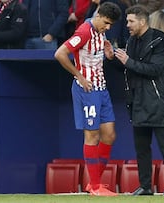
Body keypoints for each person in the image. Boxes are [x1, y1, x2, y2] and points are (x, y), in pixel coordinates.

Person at [54, 2, 121, 196]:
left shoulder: (101, 31)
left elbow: (95, 55)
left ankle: (94, 183)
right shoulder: (84, 31)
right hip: (87, 90)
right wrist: (79, 76)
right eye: (107, 23)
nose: (108, 27)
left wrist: (108, 53)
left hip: (101, 88)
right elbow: (60, 53)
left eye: (111, 25)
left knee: (109, 135)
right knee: (92, 136)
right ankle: (95, 186)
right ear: (98, 15)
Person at [114, 5, 164, 196]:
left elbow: (154, 70)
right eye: (127, 21)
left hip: (157, 98)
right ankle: (145, 186)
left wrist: (128, 61)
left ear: (142, 21)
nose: (127, 25)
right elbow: (129, 68)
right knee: (141, 147)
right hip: (137, 100)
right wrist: (114, 58)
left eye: (131, 21)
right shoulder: (131, 41)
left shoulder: (160, 40)